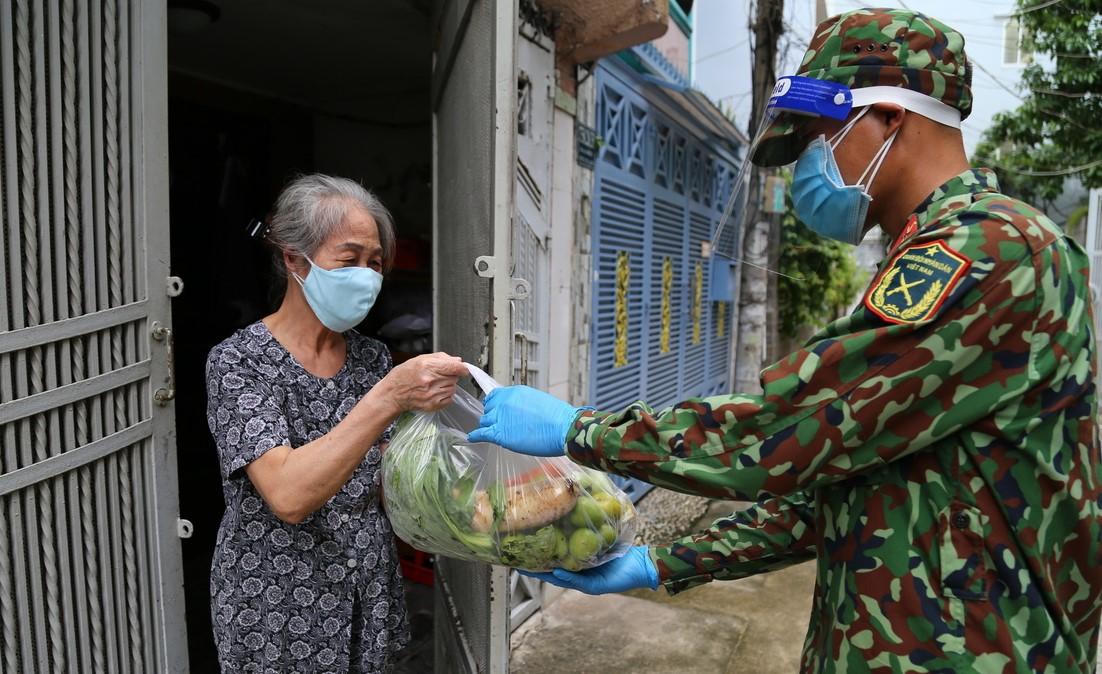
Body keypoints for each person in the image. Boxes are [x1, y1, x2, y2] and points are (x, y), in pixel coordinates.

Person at [469, 9, 1101, 672]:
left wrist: (581, 431)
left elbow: (790, 431)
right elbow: (836, 492)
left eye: (822, 134)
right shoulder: (937, 252)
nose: (811, 163)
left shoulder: (992, 251)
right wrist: (663, 561)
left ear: (891, 116)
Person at [205, 174, 467, 672]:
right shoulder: (239, 362)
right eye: (349, 261)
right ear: (293, 260)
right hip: (279, 609)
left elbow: (392, 483)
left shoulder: (370, 357)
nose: (366, 276)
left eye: (375, 263)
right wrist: (390, 397)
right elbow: (288, 495)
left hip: (366, 593)